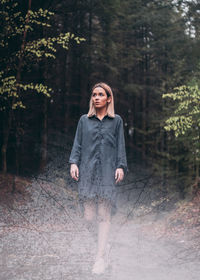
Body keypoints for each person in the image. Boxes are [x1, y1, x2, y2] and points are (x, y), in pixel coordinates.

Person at [69, 82, 127, 274]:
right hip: (87, 172)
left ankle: (100, 257)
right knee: (88, 217)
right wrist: (73, 162)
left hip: (107, 173)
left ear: (108, 98)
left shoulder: (116, 120)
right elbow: (77, 143)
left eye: (101, 94)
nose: (96, 97)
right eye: (94, 94)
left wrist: (120, 166)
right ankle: (104, 246)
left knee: (104, 215)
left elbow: (120, 146)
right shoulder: (84, 120)